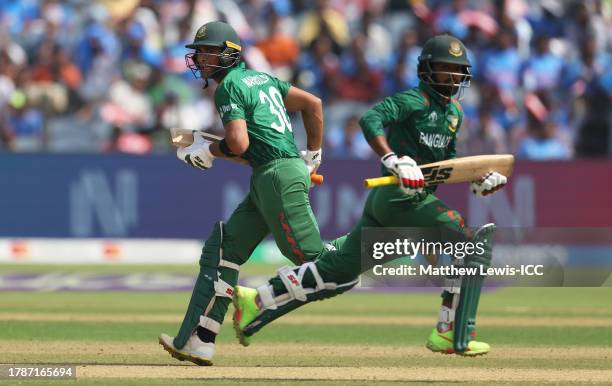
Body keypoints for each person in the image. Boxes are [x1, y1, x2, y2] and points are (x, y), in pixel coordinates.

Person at [232, 34, 508, 356]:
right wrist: (392, 159)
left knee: (338, 271)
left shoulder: (455, 115)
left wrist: (478, 182)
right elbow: (370, 119)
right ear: (427, 71)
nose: (453, 78)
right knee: (471, 241)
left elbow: (444, 166)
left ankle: (257, 299)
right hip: (400, 200)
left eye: (458, 72)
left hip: (400, 208)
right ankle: (451, 332)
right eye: (446, 70)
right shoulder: (412, 101)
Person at [159, 21, 330, 366]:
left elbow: (238, 142)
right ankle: (200, 340)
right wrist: (312, 155)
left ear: (229, 54)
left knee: (319, 263)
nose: (201, 58)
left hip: (278, 176)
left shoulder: (228, 89)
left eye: (208, 51)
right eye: (199, 52)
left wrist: (209, 151)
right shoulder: (264, 79)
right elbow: (313, 104)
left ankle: (364, 252)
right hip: (270, 174)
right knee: (223, 250)